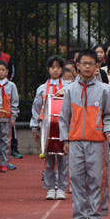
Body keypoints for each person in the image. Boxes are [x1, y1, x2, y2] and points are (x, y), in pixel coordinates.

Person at [59, 49, 110, 219]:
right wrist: (64, 139)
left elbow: (109, 115)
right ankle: (79, 218)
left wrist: (109, 131)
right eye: (83, 63)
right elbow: (64, 116)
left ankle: (95, 217)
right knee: (76, 178)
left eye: (91, 63)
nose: (87, 67)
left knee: (96, 178)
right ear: (77, 65)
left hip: (97, 141)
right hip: (76, 140)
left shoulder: (104, 90)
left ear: (97, 66)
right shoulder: (70, 90)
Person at [31, 55, 69, 201]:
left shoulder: (67, 87)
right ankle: (50, 187)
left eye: (58, 67)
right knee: (49, 158)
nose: (55, 70)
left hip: (63, 126)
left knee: (63, 158)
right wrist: (35, 127)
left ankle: (61, 187)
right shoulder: (42, 88)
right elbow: (36, 108)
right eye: (52, 67)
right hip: (46, 127)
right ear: (48, 69)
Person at [0, 60, 19, 172]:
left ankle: (4, 162)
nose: (1, 72)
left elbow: (15, 101)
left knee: (6, 141)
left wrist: (13, 116)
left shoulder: (12, 86)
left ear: (7, 71)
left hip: (7, 117)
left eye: (3, 70)